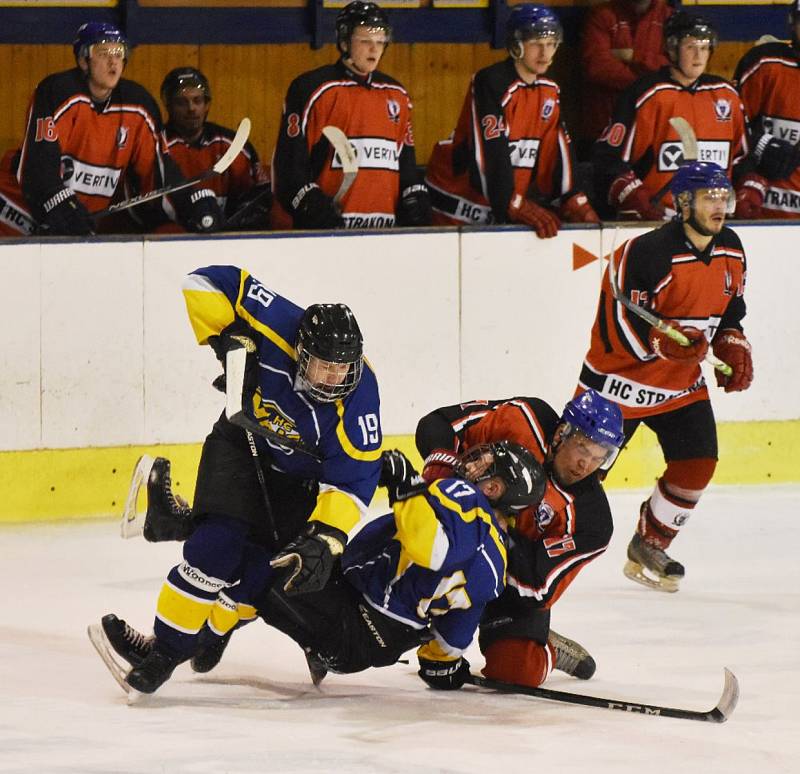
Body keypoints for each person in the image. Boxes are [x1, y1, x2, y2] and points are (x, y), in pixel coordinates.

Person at [91, 264, 383, 694]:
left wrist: (326, 536)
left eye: (343, 369)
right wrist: (222, 337)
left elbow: (353, 482)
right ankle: (166, 654)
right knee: (215, 548)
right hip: (240, 447)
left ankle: (207, 624)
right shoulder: (278, 322)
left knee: (262, 574)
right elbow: (203, 281)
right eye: (324, 366)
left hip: (297, 482)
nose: (334, 378)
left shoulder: (359, 402)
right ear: (302, 352)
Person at [577, 161, 753, 592]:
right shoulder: (646, 252)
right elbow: (616, 323)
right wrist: (663, 343)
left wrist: (732, 341)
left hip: (680, 384)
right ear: (684, 202)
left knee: (698, 463)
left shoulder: (731, 247)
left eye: (723, 197)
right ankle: (523, 546)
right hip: (617, 385)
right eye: (709, 197)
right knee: (577, 481)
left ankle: (650, 542)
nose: (720, 207)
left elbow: (731, 309)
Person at [415, 390, 624, 689]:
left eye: (599, 457)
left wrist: (498, 534)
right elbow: (438, 424)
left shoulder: (593, 520)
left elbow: (536, 590)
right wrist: (444, 475)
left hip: (507, 587)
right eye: (581, 448)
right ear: (561, 434)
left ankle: (550, 651)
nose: (585, 465)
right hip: (451, 539)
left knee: (516, 670)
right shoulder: (524, 419)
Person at [16, 22, 221, 235]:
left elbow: (158, 172)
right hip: (20, 210)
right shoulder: (58, 92)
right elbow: (38, 166)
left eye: (119, 52)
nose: (113, 60)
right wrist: (57, 201)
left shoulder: (139, 105)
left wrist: (190, 201)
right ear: (83, 60)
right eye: (104, 52)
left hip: (82, 220)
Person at [425, 4, 599, 238]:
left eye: (550, 44)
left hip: (497, 207)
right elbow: (490, 154)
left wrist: (574, 199)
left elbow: (556, 155)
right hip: (457, 203)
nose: (545, 53)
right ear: (516, 45)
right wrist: (513, 202)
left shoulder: (549, 92)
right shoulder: (490, 82)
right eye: (536, 43)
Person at [271, 1, 431, 230]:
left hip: (385, 232)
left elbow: (405, 165)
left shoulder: (397, 95)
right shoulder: (312, 88)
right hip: (328, 234)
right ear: (344, 42)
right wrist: (309, 204)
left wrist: (415, 195)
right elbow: (288, 167)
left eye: (380, 41)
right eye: (366, 41)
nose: (374, 49)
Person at [593, 11, 748, 221]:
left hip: (713, 224)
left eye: (704, 48)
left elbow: (743, 160)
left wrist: (749, 191)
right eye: (691, 47)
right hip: (656, 223)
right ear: (672, 49)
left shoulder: (727, 96)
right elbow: (609, 161)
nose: (699, 56)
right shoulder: (646, 94)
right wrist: (638, 199)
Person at [160, 67, 271, 230]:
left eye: (197, 100)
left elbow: (260, 195)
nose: (191, 108)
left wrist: (235, 224)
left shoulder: (231, 144)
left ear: (206, 105)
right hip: (171, 242)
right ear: (169, 106)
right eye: (182, 102)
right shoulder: (156, 145)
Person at [578, 0, 674, 157]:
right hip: (604, 127)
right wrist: (648, 84)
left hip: (655, 130)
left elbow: (675, 65)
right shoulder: (602, 15)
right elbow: (598, 67)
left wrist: (633, 56)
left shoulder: (670, 17)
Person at [732, 1, 800, 219]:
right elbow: (727, 128)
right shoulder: (765, 64)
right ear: (792, 23)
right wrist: (758, 144)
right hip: (764, 209)